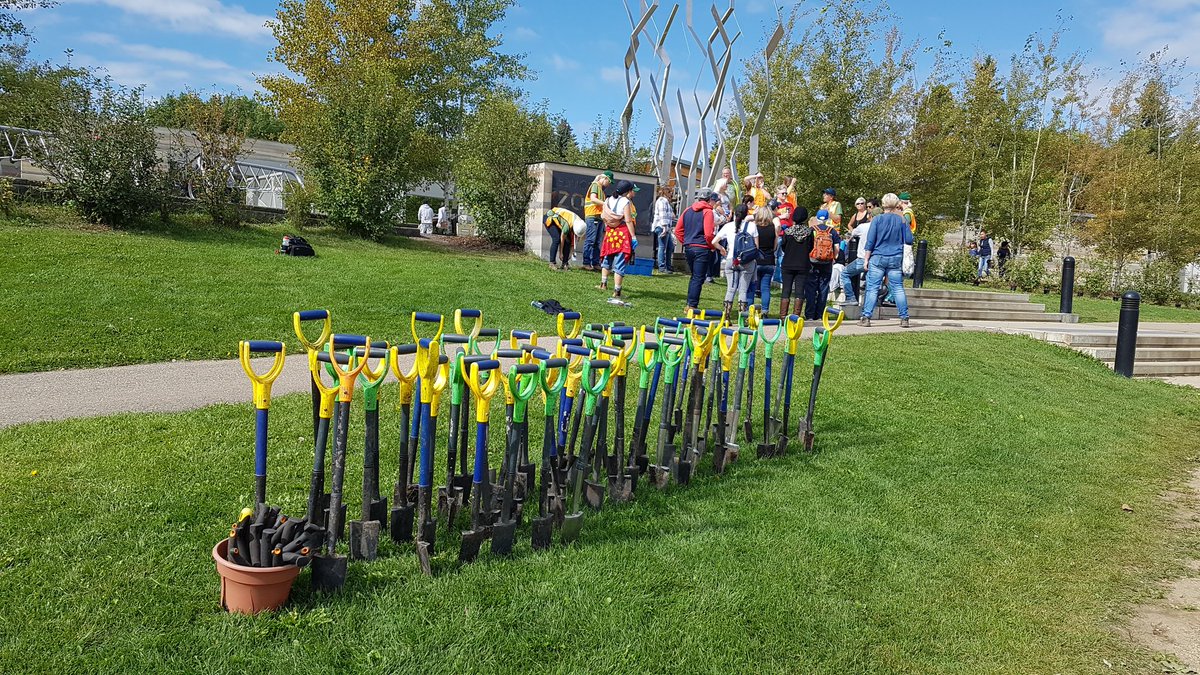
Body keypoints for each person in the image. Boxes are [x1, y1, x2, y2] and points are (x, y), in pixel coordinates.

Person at [859, 193, 914, 328]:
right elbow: (909, 240)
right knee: (898, 288)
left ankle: (866, 317)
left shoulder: (877, 220)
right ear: (896, 205)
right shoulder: (902, 221)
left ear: (883, 205)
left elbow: (870, 242)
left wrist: (866, 259)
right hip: (895, 257)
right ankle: (904, 318)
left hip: (878, 257)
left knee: (872, 288)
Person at [674, 188, 719, 313]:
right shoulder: (708, 212)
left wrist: (687, 241)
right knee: (698, 278)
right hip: (702, 248)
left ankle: (689, 304)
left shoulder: (687, 210)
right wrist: (712, 246)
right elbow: (709, 234)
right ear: (710, 200)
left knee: (694, 277)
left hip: (689, 247)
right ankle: (692, 306)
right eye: (714, 201)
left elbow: (677, 230)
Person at [713, 198, 757, 315]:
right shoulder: (752, 227)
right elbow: (756, 246)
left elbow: (714, 241)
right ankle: (741, 316)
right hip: (747, 262)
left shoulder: (728, 226)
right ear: (747, 214)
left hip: (731, 260)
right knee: (743, 290)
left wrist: (722, 249)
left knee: (731, 289)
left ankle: (726, 315)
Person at [598, 180, 638, 299]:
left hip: (610, 232)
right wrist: (634, 236)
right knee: (620, 261)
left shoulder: (608, 199)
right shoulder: (626, 201)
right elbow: (628, 220)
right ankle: (617, 291)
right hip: (622, 234)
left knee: (607, 257)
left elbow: (603, 216)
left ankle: (603, 284)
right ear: (628, 191)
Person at [804, 210, 841, 320]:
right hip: (827, 263)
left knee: (811, 289)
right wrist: (833, 258)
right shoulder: (832, 231)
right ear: (827, 219)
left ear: (817, 218)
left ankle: (810, 315)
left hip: (812, 262)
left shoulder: (812, 230)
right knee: (823, 289)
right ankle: (820, 315)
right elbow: (837, 249)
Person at [777, 206, 810, 319]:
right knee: (800, 291)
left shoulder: (788, 232)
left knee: (786, 289)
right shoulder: (809, 233)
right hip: (803, 264)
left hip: (788, 264)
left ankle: (782, 316)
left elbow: (784, 247)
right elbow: (810, 248)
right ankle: (796, 316)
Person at [840, 204, 872, 305]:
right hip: (877, 259)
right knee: (871, 282)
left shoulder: (863, 227)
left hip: (862, 259)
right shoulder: (885, 228)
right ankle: (870, 304)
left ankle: (851, 297)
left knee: (845, 273)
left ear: (869, 216)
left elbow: (851, 234)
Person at [583, 171, 613, 272]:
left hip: (599, 217)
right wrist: (605, 203)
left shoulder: (602, 191)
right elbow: (593, 199)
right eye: (609, 182)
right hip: (592, 216)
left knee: (597, 242)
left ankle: (595, 263)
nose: (609, 184)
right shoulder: (595, 185)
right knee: (590, 240)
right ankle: (586, 262)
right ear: (605, 179)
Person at [749, 205, 777, 314]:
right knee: (765, 288)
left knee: (752, 287)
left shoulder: (754, 227)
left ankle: (750, 311)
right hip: (769, 260)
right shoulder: (773, 228)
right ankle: (765, 311)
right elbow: (775, 246)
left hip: (756, 260)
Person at [652, 186, 676, 274]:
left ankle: (668, 266)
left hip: (665, 227)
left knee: (670, 246)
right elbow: (662, 214)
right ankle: (662, 266)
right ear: (667, 193)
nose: (671, 195)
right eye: (670, 192)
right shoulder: (662, 201)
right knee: (662, 247)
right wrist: (665, 227)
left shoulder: (665, 202)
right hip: (662, 227)